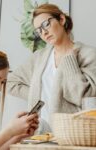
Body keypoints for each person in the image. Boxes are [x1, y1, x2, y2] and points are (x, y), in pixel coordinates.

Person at [7, 3, 96, 133]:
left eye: (46, 24)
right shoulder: (39, 57)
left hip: (73, 134)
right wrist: (38, 94)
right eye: (38, 30)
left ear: (61, 19)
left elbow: (84, 96)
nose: (44, 32)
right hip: (40, 134)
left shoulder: (88, 54)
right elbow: (11, 82)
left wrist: (70, 60)